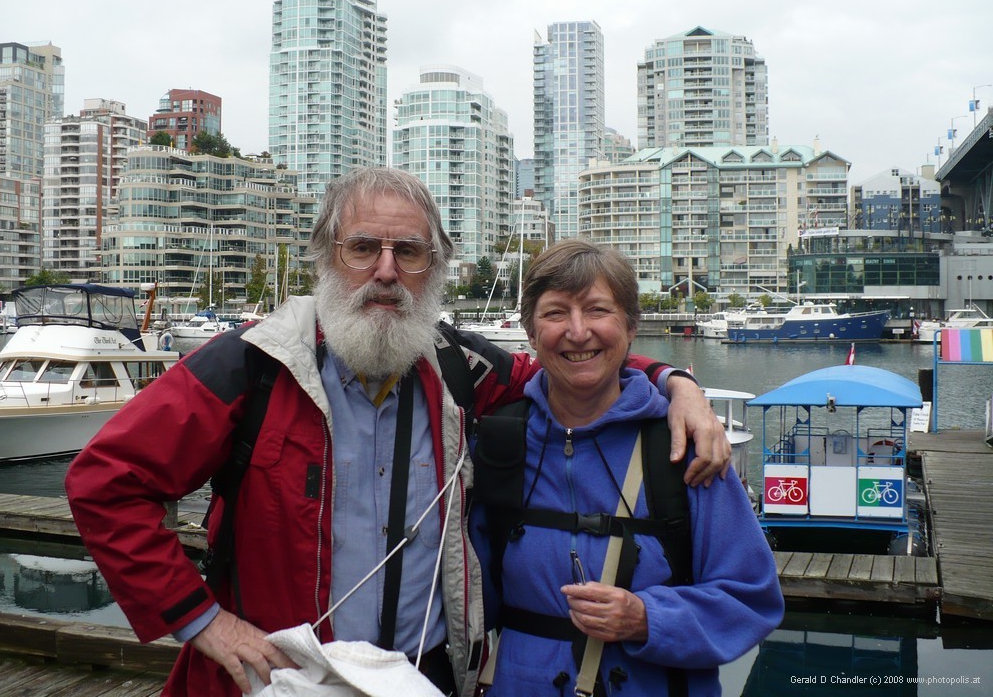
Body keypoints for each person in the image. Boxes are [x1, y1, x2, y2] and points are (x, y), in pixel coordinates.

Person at [65, 168, 729, 697]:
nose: (386, 271)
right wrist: (201, 619)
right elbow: (105, 483)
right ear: (327, 257)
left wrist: (676, 381)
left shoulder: (461, 370)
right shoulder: (251, 365)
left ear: (435, 266)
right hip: (274, 680)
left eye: (408, 251)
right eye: (364, 248)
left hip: (424, 675)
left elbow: (574, 360)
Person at [473, 239, 783, 696]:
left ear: (632, 326)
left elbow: (752, 597)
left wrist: (648, 618)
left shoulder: (684, 446)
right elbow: (469, 597)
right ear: (530, 331)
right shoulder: (499, 445)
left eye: (598, 310)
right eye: (556, 313)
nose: (578, 332)